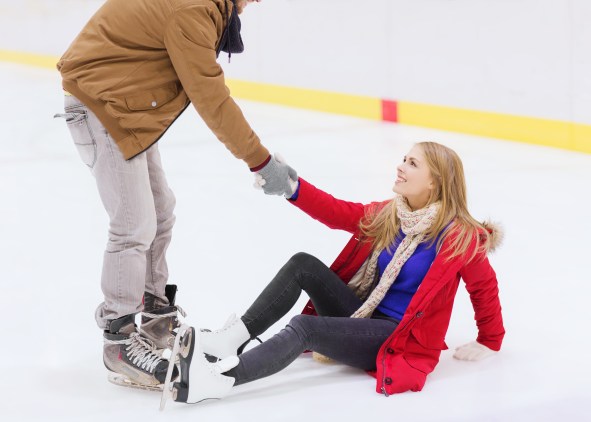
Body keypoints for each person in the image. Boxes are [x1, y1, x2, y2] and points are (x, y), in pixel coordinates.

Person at [54, 0, 297, 389]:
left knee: (161, 212)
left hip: (124, 104)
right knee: (133, 224)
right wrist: (260, 161)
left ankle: (153, 318)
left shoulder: (206, 8)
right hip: (101, 102)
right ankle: (118, 339)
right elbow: (210, 97)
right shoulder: (193, 10)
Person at [162, 141, 505, 404]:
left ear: (435, 182)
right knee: (303, 264)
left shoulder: (461, 238)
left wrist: (490, 341)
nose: (400, 167)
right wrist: (291, 187)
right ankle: (228, 341)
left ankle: (220, 381)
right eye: (404, 158)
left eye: (412, 164)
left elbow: (484, 289)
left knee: (304, 328)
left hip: (394, 337)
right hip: (363, 315)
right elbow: (337, 213)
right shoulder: (391, 213)